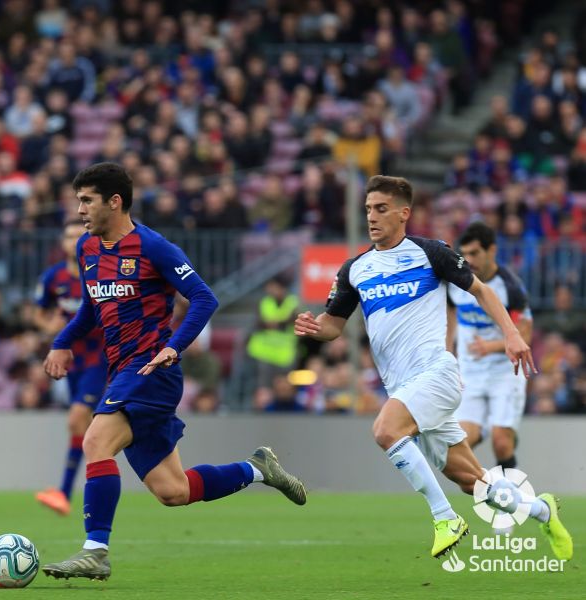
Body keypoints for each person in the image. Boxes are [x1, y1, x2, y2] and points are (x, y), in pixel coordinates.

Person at [41, 163, 306, 581]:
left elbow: (204, 298)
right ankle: (258, 468)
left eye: (86, 200)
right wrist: (62, 342)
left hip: (151, 371)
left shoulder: (153, 247)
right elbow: (92, 310)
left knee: (95, 440)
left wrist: (172, 346)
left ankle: (96, 550)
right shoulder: (87, 250)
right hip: (124, 373)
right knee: (173, 491)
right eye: (78, 201)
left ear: (115, 201)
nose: (79, 210)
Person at [294, 176, 572, 561]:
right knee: (472, 482)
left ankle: (445, 519)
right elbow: (334, 325)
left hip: (437, 374)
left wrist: (510, 334)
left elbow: (482, 291)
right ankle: (543, 510)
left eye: (381, 208)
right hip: (404, 387)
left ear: (404, 213)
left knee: (386, 429)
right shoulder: (354, 269)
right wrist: (315, 327)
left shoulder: (431, 253)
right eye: (368, 209)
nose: (372, 217)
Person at [33, 220, 108, 516]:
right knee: (86, 427)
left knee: (77, 419)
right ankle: (94, 481)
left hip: (100, 359)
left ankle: (64, 491)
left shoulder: (102, 273)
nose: (74, 240)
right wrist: (47, 324)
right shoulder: (54, 277)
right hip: (70, 362)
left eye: (80, 235)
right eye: (69, 235)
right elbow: (39, 313)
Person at [447, 223, 532, 473]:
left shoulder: (510, 287)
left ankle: (514, 504)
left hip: (504, 373)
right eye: (465, 254)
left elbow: (525, 332)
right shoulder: (457, 283)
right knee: (462, 441)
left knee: (502, 444)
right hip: (470, 374)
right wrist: (447, 350)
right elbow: (450, 312)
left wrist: (492, 346)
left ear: (491, 250)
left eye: (475, 253)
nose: (469, 260)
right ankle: (493, 490)